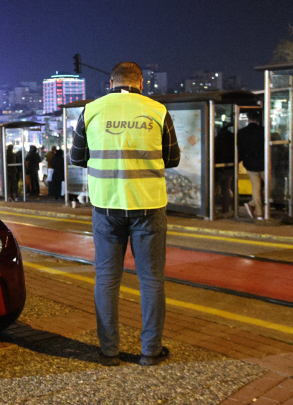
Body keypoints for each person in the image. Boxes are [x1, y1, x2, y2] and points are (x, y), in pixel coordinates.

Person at [70, 61, 180, 367]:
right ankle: (150, 352)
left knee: (106, 279)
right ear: (141, 84)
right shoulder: (156, 110)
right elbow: (172, 157)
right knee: (152, 281)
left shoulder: (92, 110)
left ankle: (109, 351)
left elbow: (76, 156)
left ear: (111, 84)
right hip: (148, 205)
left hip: (106, 206)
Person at [237, 109, 264, 220]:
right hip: (263, 163)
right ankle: (254, 206)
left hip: (249, 163)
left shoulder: (242, 132)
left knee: (256, 187)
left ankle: (259, 212)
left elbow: (240, 148)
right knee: (269, 185)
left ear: (248, 119)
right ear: (257, 119)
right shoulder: (263, 130)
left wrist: (241, 160)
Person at [214, 124, 234, 216]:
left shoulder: (218, 139)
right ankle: (231, 208)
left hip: (219, 167)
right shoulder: (232, 139)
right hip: (230, 167)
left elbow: (215, 153)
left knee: (219, 188)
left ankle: (218, 208)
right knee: (228, 188)